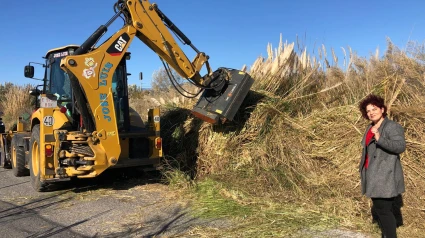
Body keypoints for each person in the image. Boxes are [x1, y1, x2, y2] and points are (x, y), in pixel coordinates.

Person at [358, 94, 406, 238]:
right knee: (381, 209)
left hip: (385, 175)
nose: (371, 112)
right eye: (368, 111)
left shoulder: (392, 127)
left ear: (382, 109)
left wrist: (380, 138)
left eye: (374, 109)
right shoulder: (370, 127)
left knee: (384, 210)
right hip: (372, 174)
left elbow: (400, 146)